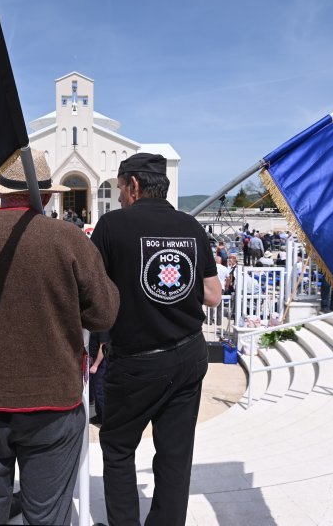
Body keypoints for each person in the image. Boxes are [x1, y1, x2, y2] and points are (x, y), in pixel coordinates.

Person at [0, 150, 120, 525]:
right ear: (45, 196)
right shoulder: (68, 239)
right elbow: (104, 312)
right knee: (47, 515)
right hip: (52, 403)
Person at [90, 152, 222, 526]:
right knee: (175, 454)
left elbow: (92, 295)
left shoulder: (112, 226)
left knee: (117, 447)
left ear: (133, 185)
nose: (117, 197)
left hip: (137, 361)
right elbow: (213, 294)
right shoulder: (192, 227)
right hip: (189, 354)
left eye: (118, 188)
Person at [208, 255, 230, 335]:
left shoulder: (211, 267)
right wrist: (226, 287)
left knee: (210, 304)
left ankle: (209, 320)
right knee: (219, 305)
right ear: (220, 261)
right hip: (221, 288)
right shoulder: (224, 268)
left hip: (212, 287)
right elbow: (228, 278)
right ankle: (218, 321)